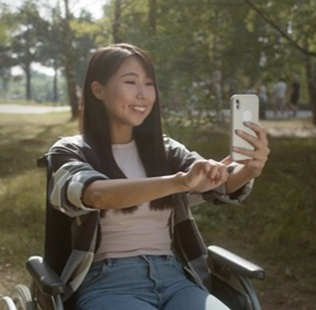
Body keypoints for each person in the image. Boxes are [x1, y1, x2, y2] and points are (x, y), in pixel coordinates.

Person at [46, 43, 270, 310]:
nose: (143, 94)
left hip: (175, 277)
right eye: (131, 82)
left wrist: (249, 169)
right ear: (98, 90)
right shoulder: (70, 151)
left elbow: (215, 185)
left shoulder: (165, 149)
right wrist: (180, 181)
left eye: (149, 84)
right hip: (108, 282)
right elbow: (96, 194)